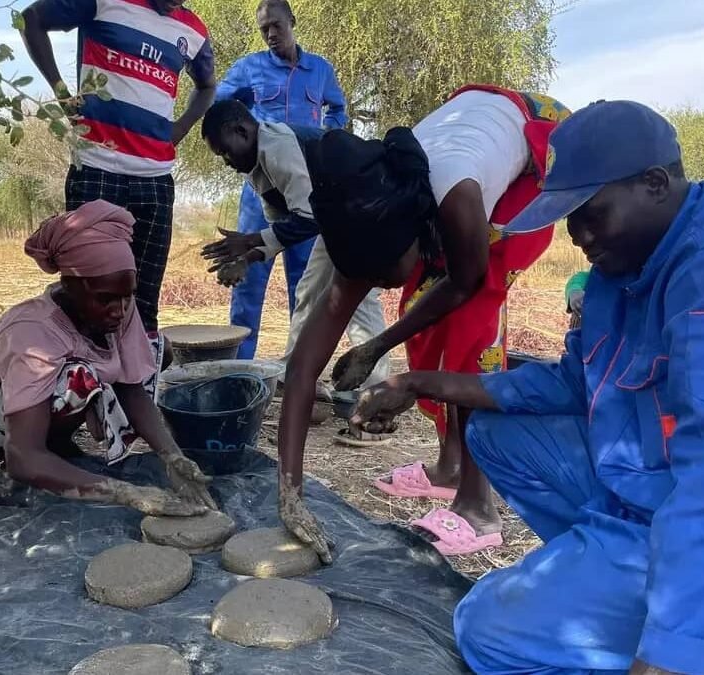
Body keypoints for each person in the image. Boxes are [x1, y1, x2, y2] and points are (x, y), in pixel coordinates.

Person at [352, 100, 704, 674]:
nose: (578, 235)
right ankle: (644, 601)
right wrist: (419, 382)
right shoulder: (629, 260)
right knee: (493, 430)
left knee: (486, 626)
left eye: (590, 212)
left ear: (655, 183)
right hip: (654, 495)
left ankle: (693, 620)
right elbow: (576, 380)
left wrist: (668, 655)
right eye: (569, 218)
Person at [201, 85, 570, 560]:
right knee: (423, 317)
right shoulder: (362, 215)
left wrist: (385, 358)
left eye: (382, 275)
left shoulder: (456, 198)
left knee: (470, 332)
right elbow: (301, 370)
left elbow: (464, 283)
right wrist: (289, 493)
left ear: (409, 241)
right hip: (462, 136)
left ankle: (479, 506)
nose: (375, 283)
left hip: (533, 148)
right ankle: (448, 468)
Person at [0, 201, 215, 517]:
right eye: (106, 299)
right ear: (69, 285)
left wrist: (172, 457)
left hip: (30, 404)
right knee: (77, 378)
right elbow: (22, 455)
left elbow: (131, 388)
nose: (120, 310)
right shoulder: (32, 332)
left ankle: (57, 457)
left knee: (157, 348)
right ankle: (38, 466)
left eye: (128, 296)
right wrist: (124, 492)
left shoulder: (118, 307)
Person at [21, 0, 217, 369]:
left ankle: (137, 402)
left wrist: (181, 128)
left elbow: (207, 86)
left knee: (144, 302)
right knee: (87, 295)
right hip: (97, 168)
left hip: (155, 180)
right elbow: (31, 19)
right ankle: (80, 396)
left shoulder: (193, 30)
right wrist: (63, 93)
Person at [199, 99, 391, 396]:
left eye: (225, 151)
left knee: (357, 298)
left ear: (240, 130)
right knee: (310, 291)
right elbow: (283, 228)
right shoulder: (256, 166)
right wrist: (247, 259)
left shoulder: (275, 146)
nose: (227, 162)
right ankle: (295, 374)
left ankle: (375, 390)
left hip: (366, 211)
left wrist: (249, 241)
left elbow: (308, 218)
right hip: (339, 220)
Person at [214, 0, 348, 360]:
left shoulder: (319, 70)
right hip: (263, 190)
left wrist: (327, 142)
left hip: (305, 190)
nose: (271, 34)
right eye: (264, 29)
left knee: (306, 282)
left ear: (292, 21)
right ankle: (240, 368)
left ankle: (302, 368)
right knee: (248, 277)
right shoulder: (249, 68)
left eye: (276, 25)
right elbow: (218, 108)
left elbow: (338, 108)